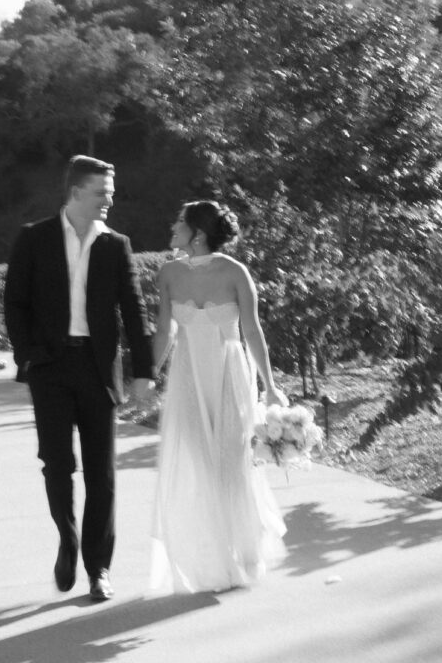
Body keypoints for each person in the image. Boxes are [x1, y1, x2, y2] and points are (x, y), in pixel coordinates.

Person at [4, 155, 155, 601]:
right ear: (75, 193)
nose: (110, 199)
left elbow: (134, 309)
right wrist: (28, 357)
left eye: (110, 192)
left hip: (96, 368)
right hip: (49, 369)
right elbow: (15, 303)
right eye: (101, 192)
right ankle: (68, 540)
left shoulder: (116, 244)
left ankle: (99, 569)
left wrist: (144, 371)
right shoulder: (35, 238)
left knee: (102, 474)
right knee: (57, 465)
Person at [151, 200, 287, 594]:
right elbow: (165, 332)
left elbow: (253, 331)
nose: (173, 226)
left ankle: (243, 551)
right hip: (188, 376)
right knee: (199, 464)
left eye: (180, 221)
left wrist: (271, 384)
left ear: (198, 233)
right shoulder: (169, 273)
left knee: (233, 463)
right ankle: (214, 559)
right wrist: (148, 376)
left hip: (231, 374)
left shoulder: (235, 272)